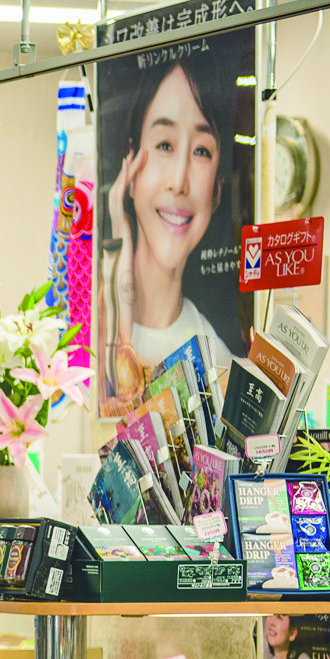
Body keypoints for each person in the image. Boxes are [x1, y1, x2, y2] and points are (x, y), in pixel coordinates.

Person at [100, 54, 239, 401]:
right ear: (130, 166)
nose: (179, 181)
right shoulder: (85, 333)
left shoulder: (218, 364)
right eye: (165, 145)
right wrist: (118, 246)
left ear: (217, 189)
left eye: (202, 151)